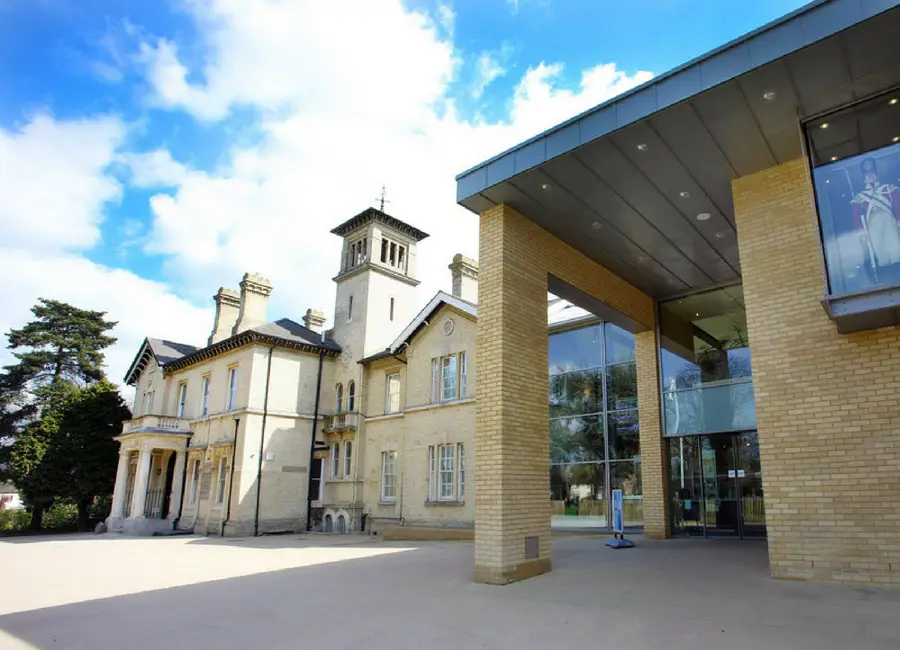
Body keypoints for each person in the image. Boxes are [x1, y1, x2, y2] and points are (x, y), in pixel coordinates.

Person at [852, 157, 900, 285]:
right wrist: (861, 233)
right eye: (866, 172)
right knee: (879, 250)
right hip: (872, 224)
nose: (869, 174)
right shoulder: (859, 197)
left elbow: (897, 207)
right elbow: (857, 217)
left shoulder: (889, 189)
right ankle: (886, 275)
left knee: (895, 247)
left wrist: (899, 223)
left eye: (872, 171)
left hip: (889, 221)